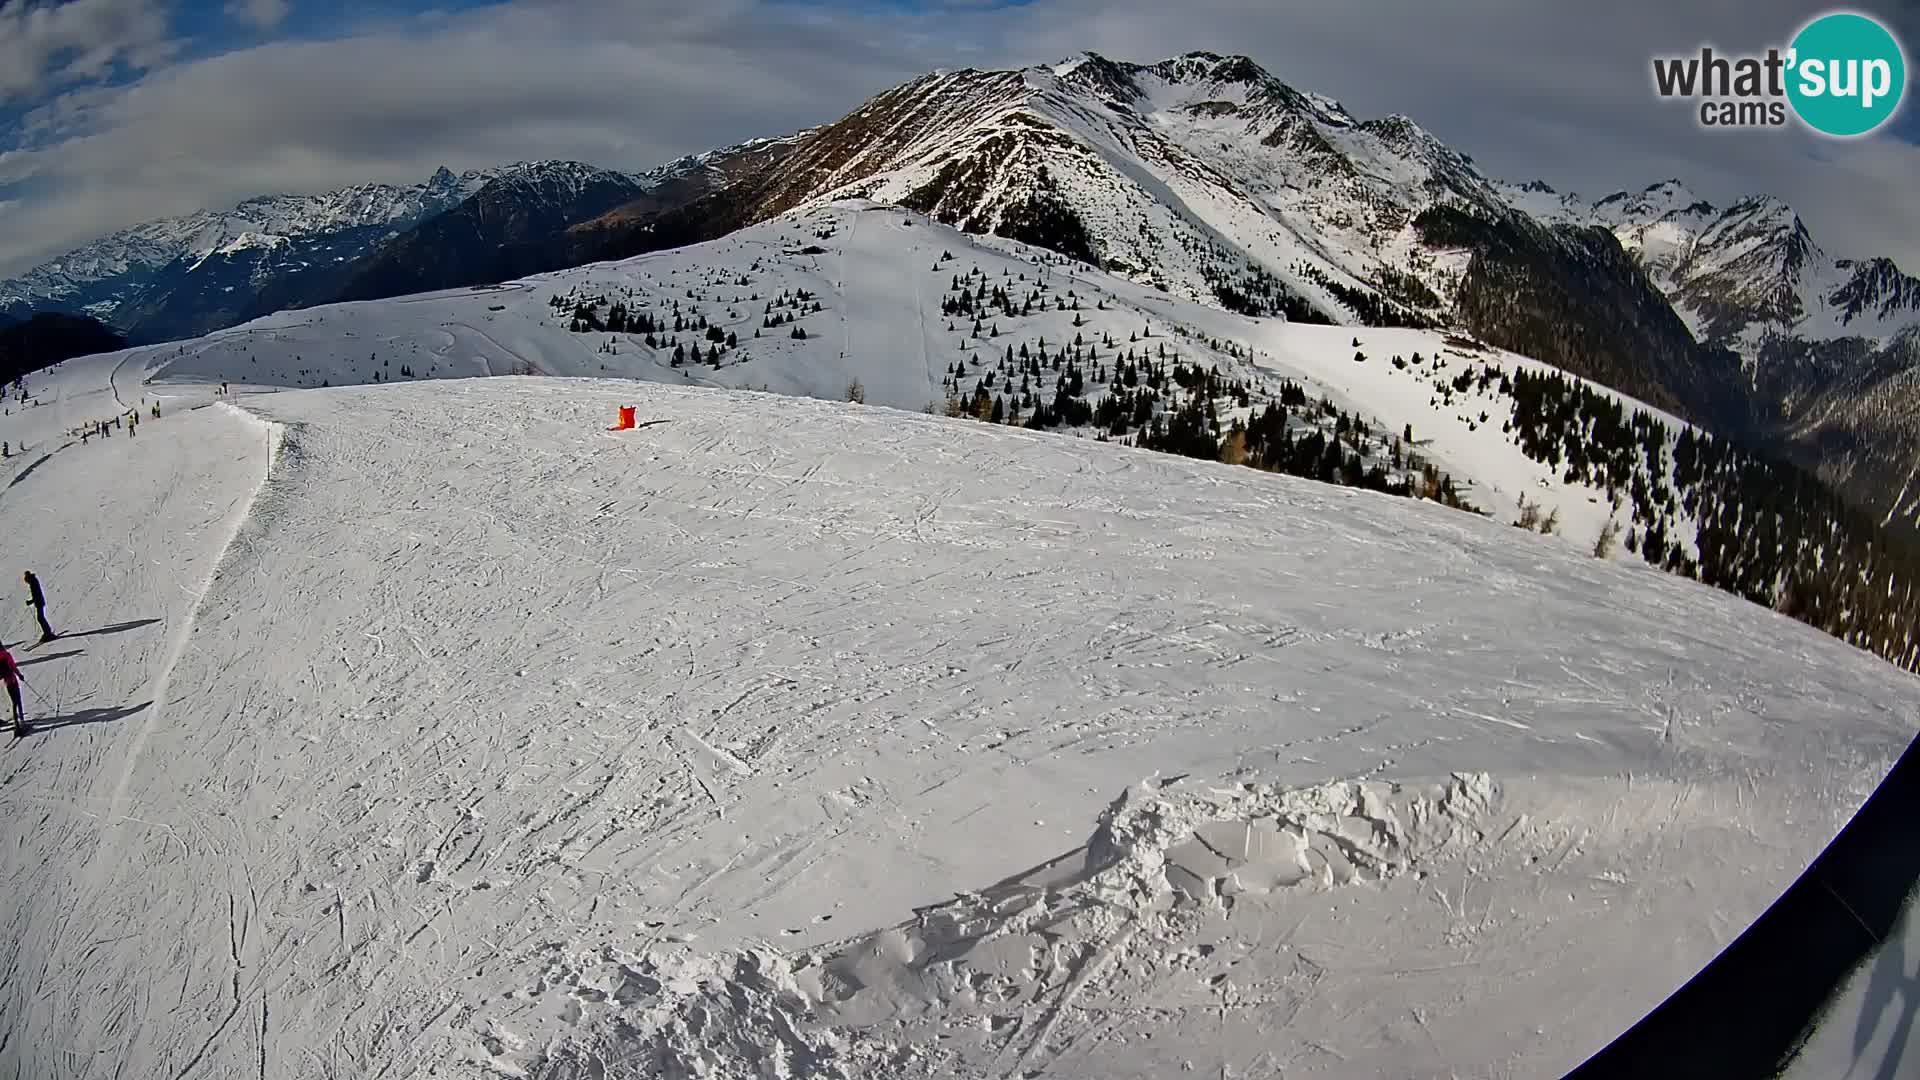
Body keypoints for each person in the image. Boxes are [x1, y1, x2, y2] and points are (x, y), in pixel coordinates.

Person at [0, 644, 24, 736]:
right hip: (13, 680)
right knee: (18, 701)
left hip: (7, 682)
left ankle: (16, 724)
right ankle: (21, 721)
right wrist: (19, 675)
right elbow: (13, 666)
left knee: (14, 703)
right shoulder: (6, 655)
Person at [23, 571, 54, 644]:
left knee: (40, 618)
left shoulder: (33, 583)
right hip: (39, 602)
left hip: (39, 602)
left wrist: (31, 601)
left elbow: (36, 595)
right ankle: (47, 632)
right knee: (40, 618)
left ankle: (48, 633)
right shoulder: (34, 582)